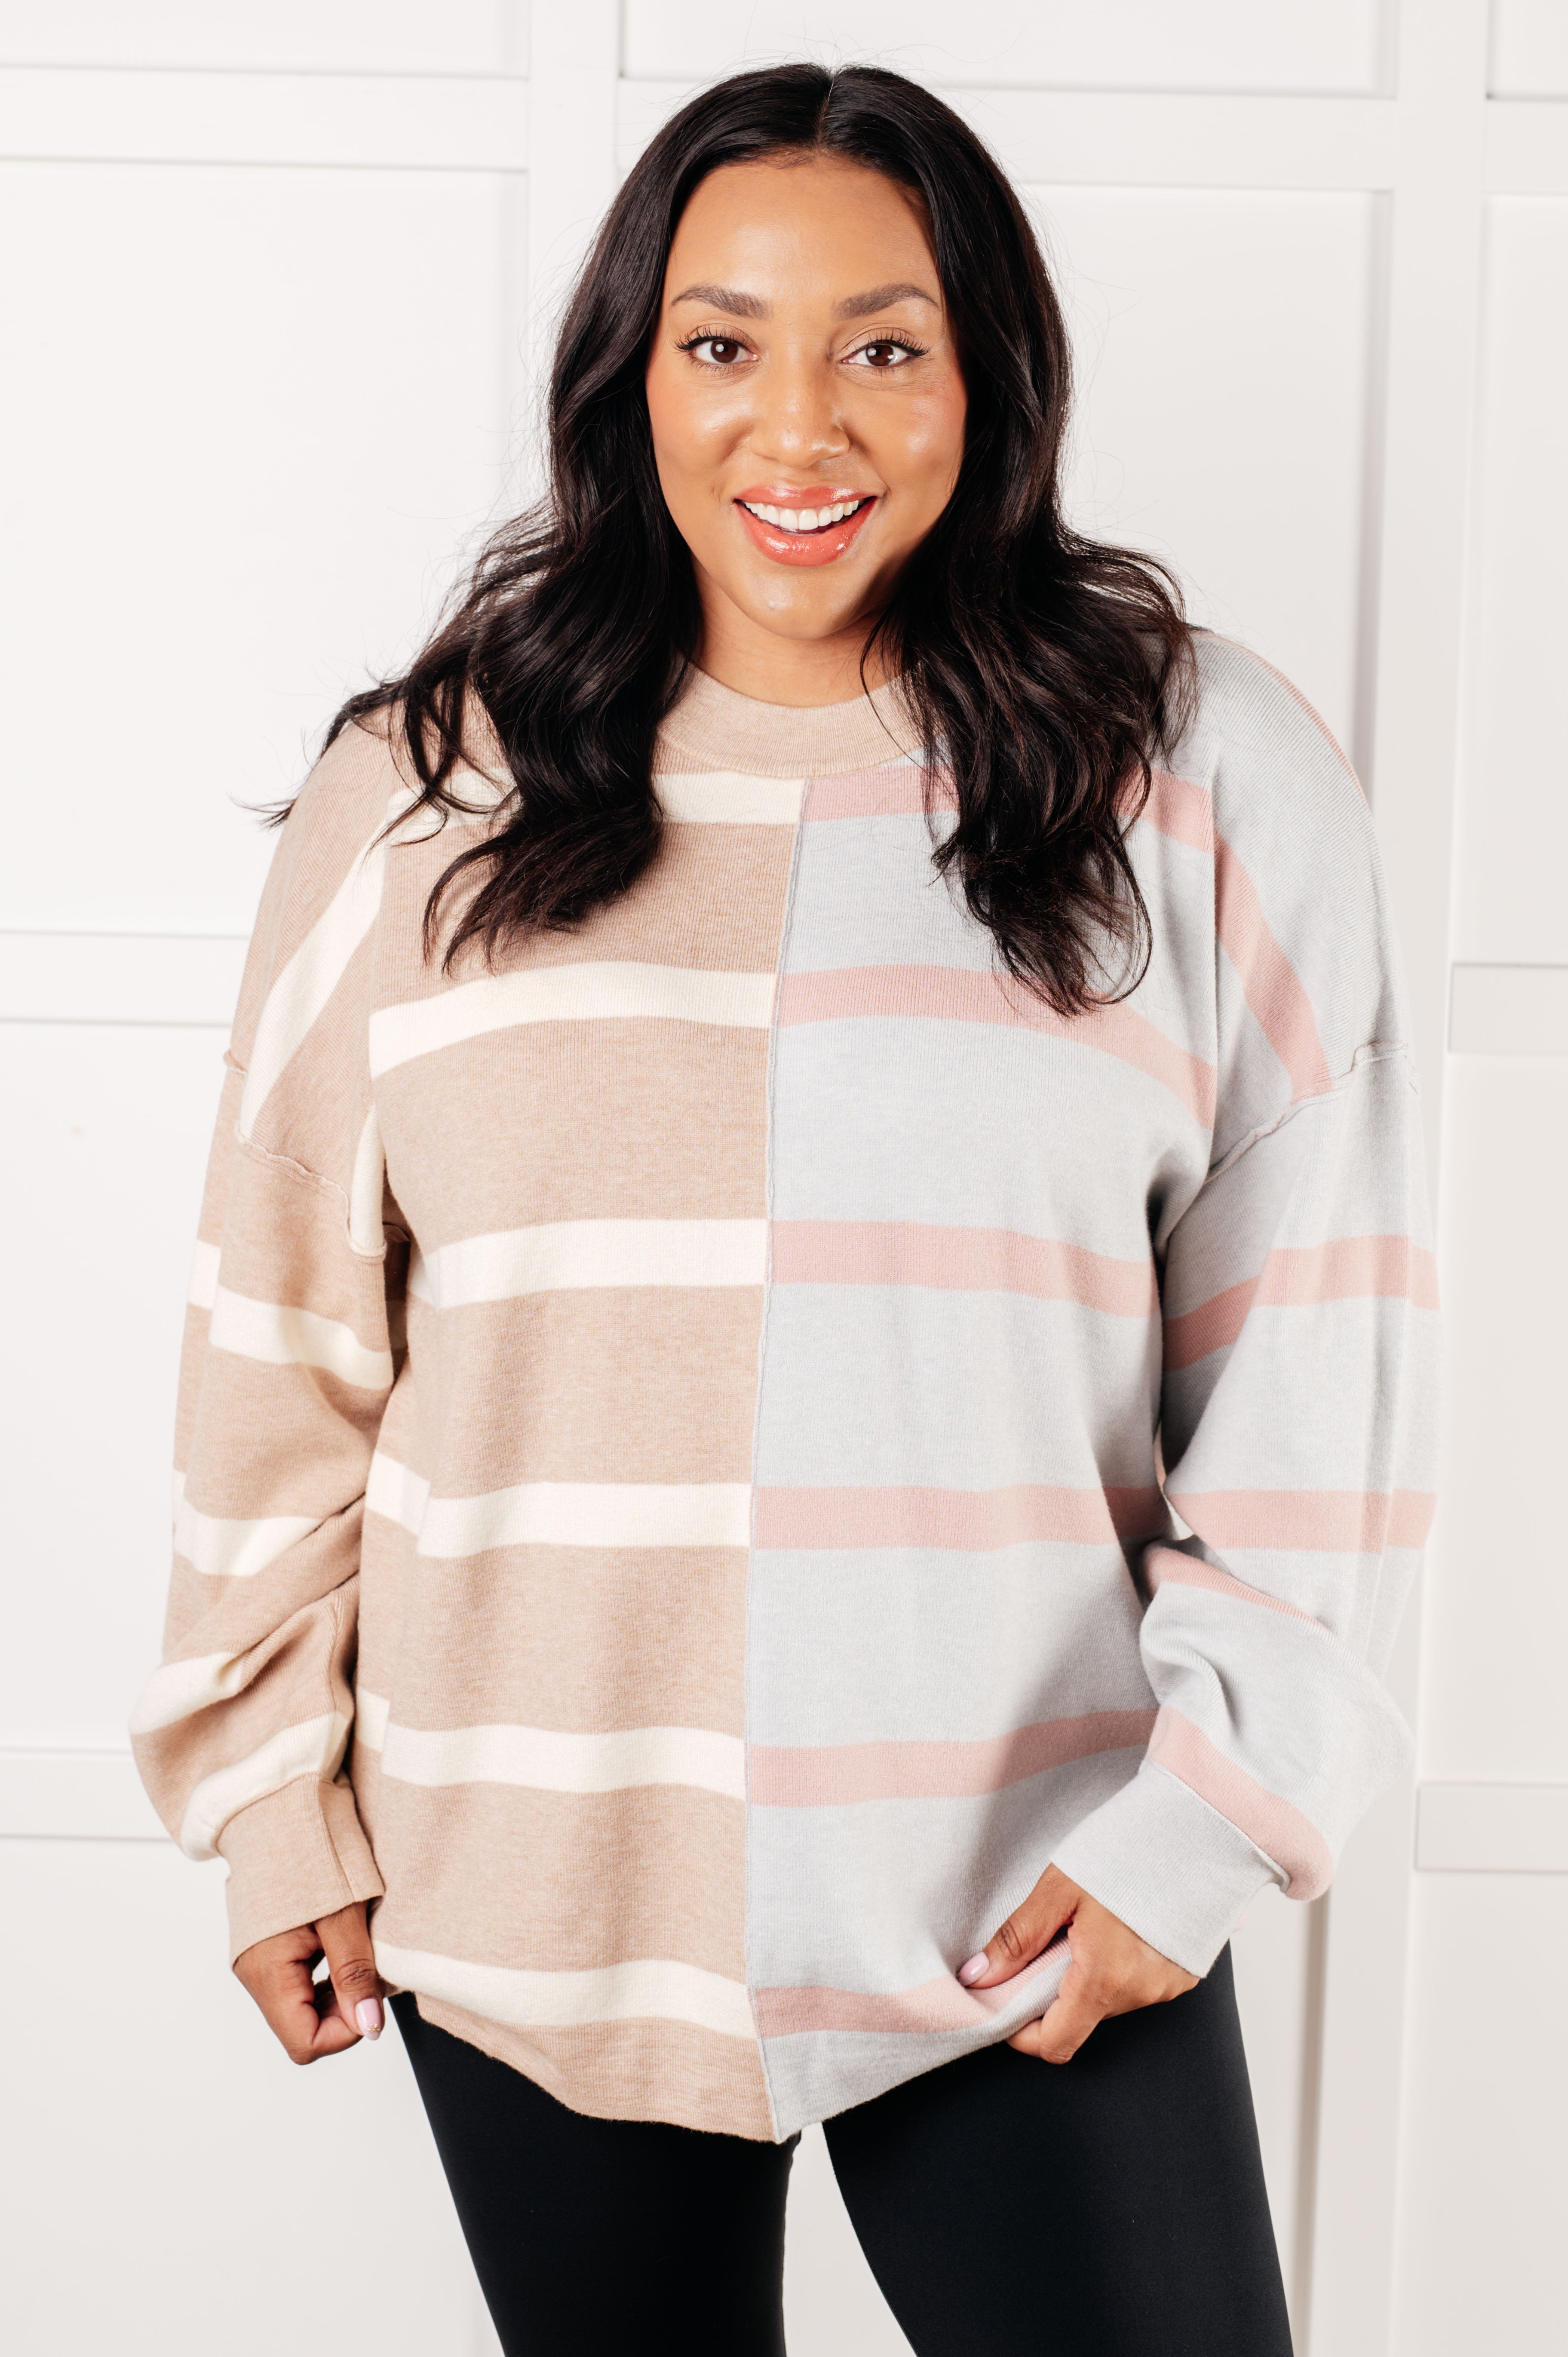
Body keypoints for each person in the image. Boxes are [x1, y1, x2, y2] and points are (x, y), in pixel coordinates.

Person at [131, 61, 1438, 2357]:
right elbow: (286, 1340)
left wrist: (1202, 1823)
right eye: (724, 342)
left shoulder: (1204, 770)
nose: (799, 423)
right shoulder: (422, 795)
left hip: (1040, 1889)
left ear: (991, 377)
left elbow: (1319, 1349)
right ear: (633, 372)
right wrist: (268, 1797)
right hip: (530, 1892)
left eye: (885, 344)